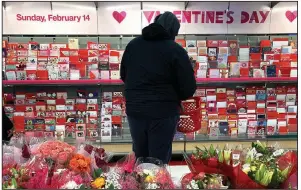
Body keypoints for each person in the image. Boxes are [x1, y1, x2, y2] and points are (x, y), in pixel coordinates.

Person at [120, 12, 196, 164]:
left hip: (136, 110)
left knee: (140, 156)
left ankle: (139, 184)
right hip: (164, 112)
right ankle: (157, 186)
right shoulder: (176, 50)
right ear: (174, 31)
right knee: (158, 160)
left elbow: (124, 75)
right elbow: (188, 88)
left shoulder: (133, 45)